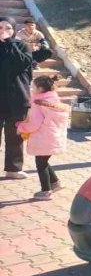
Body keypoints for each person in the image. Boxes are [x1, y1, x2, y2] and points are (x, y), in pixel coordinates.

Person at [16, 75, 69, 200]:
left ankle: (46, 191)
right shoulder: (53, 100)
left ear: (40, 89)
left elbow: (34, 123)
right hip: (53, 137)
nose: (31, 88)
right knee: (43, 161)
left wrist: (21, 126)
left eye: (33, 86)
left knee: (41, 163)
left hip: (43, 138)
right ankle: (55, 183)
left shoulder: (38, 103)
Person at [0, 16, 33, 179]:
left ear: (14, 31)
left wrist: (10, 43)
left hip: (16, 99)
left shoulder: (21, 46)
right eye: (0, 28)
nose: (3, 31)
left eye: (8, 28)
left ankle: (13, 169)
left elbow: (22, 63)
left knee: (15, 136)